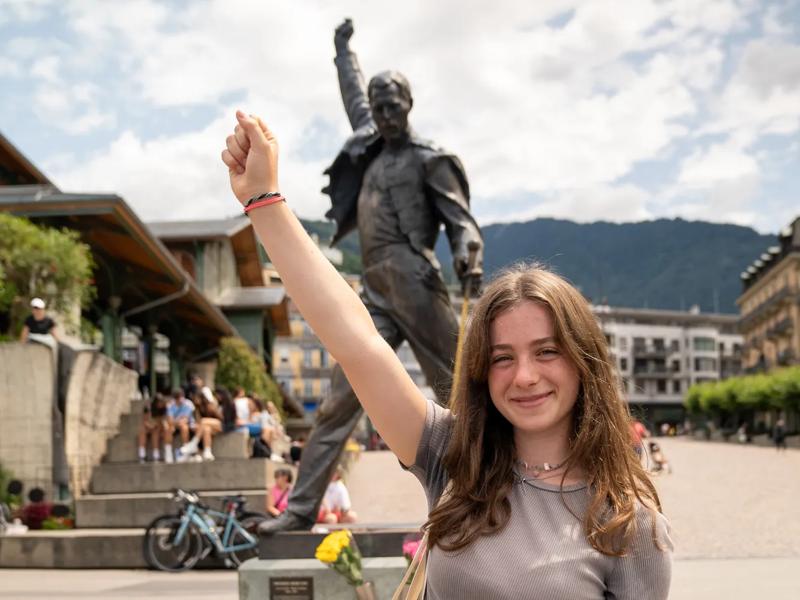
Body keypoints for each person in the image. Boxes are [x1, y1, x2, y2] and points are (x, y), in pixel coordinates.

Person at [220, 109, 672, 596]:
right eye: (502, 357)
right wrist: (264, 200)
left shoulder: (629, 523)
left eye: (546, 352)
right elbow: (358, 344)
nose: (524, 375)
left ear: (584, 361)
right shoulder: (454, 456)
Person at [164, 389, 197, 462]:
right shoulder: (170, 405)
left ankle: (185, 450)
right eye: (178, 398)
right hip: (174, 426)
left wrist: (175, 422)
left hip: (188, 425)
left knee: (184, 427)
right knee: (168, 429)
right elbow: (169, 420)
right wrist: (175, 423)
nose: (180, 400)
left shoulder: (188, 404)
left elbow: (185, 420)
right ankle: (168, 453)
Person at [137, 393, 168, 463]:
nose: (160, 404)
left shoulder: (164, 408)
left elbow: (163, 421)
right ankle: (142, 455)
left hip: (159, 428)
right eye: (159, 402)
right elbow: (145, 421)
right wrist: (150, 426)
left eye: (161, 402)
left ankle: (156, 454)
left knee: (155, 432)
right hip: (150, 426)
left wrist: (155, 425)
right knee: (142, 431)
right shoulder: (148, 408)